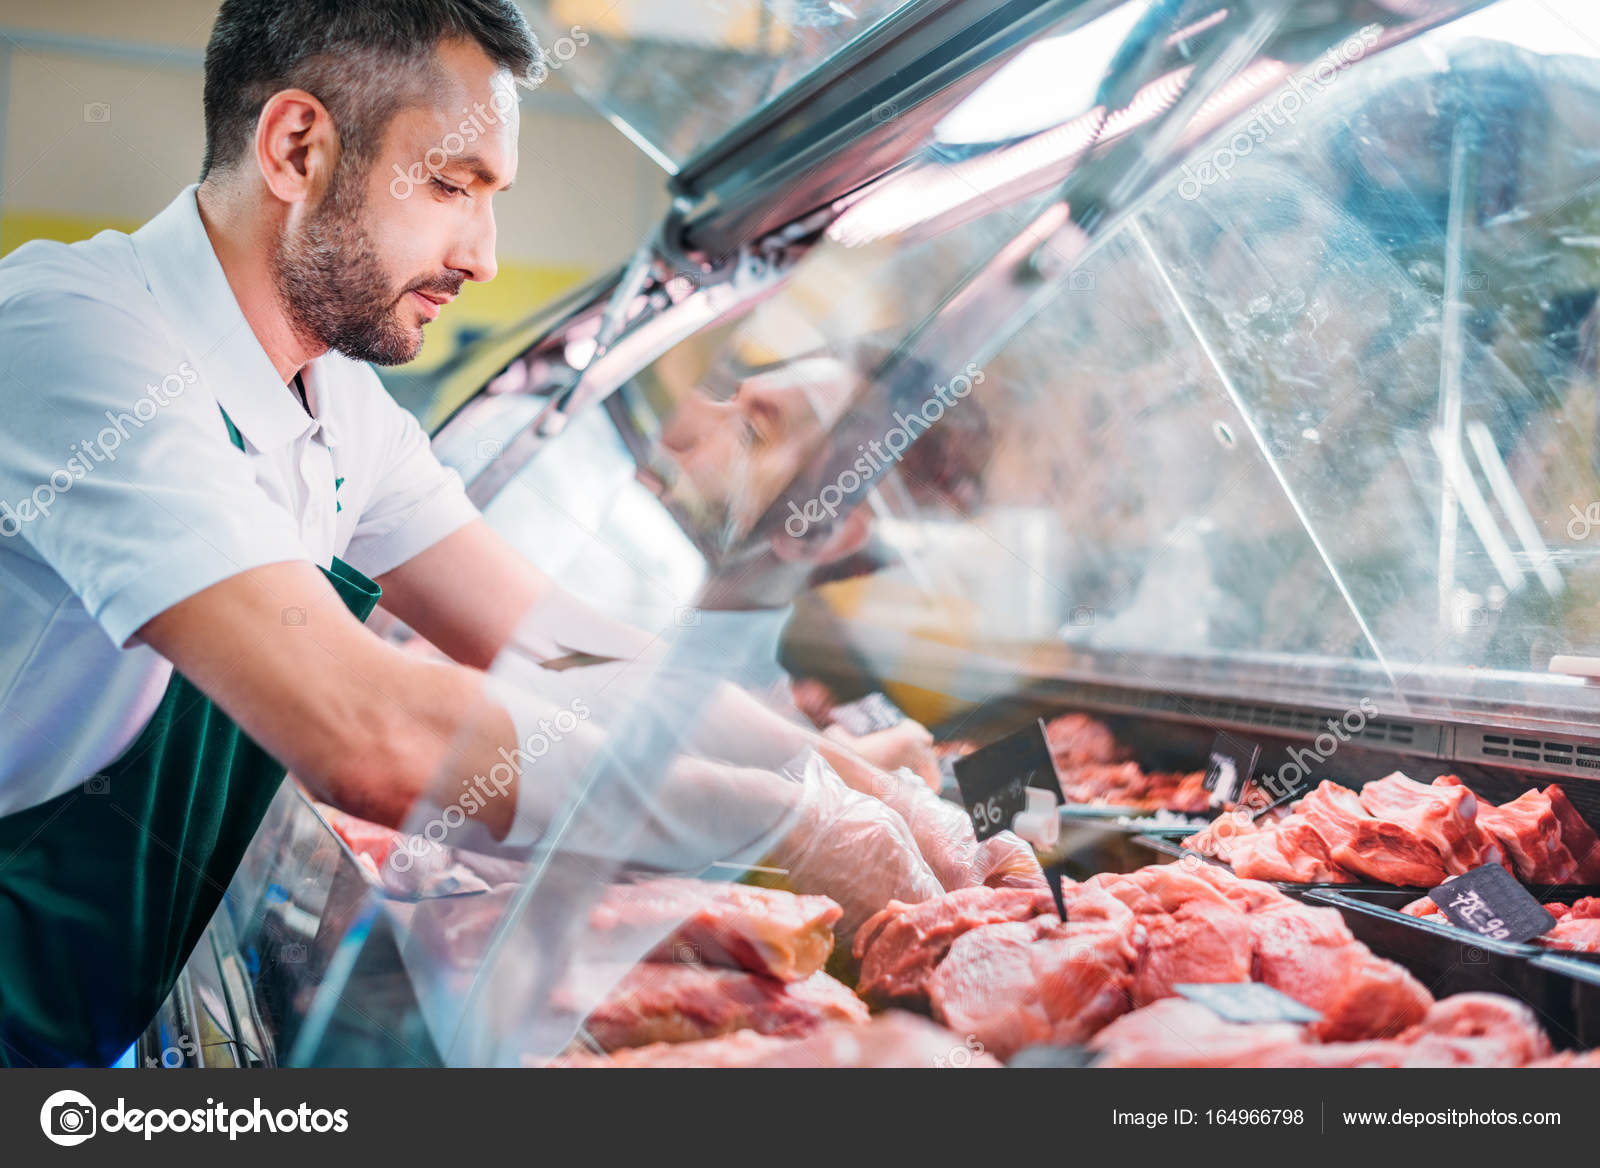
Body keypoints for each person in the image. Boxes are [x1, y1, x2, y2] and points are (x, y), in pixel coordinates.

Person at [0, 0, 996, 1068]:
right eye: (449, 184)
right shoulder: (71, 333)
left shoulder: (337, 403)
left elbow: (567, 648)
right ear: (297, 147)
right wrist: (775, 825)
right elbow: (362, 728)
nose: (480, 254)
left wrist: (845, 779)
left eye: (493, 196)